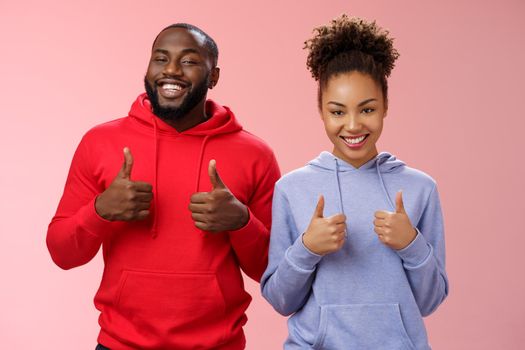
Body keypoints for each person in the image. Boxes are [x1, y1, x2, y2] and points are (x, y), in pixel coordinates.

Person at [46, 23, 280, 350]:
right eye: (161, 59)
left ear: (213, 76)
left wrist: (242, 223)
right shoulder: (100, 142)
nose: (171, 70)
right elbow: (62, 252)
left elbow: (274, 272)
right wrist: (100, 211)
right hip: (120, 344)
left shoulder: (255, 154)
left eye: (189, 61)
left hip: (218, 345)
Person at [261, 14, 448, 350]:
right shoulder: (292, 188)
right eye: (337, 111)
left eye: (366, 109)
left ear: (386, 106)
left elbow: (430, 301)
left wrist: (411, 244)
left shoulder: (422, 188)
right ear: (320, 110)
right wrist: (307, 249)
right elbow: (280, 301)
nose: (352, 125)